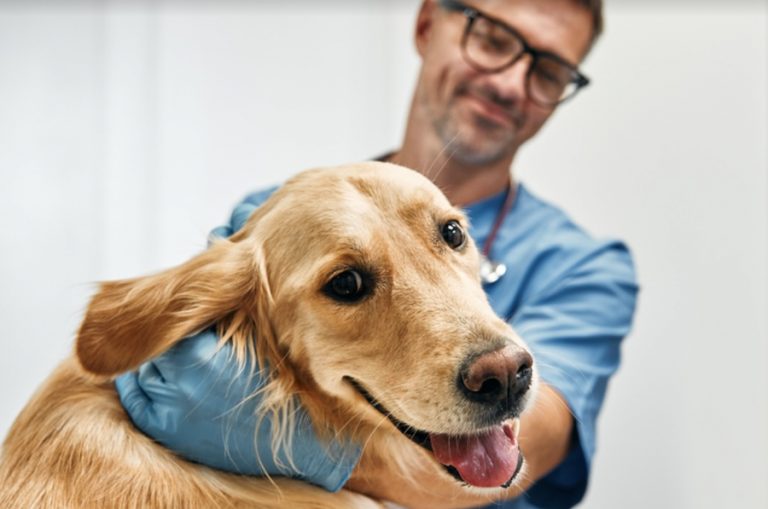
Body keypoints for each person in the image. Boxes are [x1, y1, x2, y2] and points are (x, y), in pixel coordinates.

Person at [115, 0, 638, 507]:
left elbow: (540, 437)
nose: (507, 84)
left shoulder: (586, 267)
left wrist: (274, 441)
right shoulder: (269, 221)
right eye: (493, 39)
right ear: (428, 23)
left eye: (547, 71)